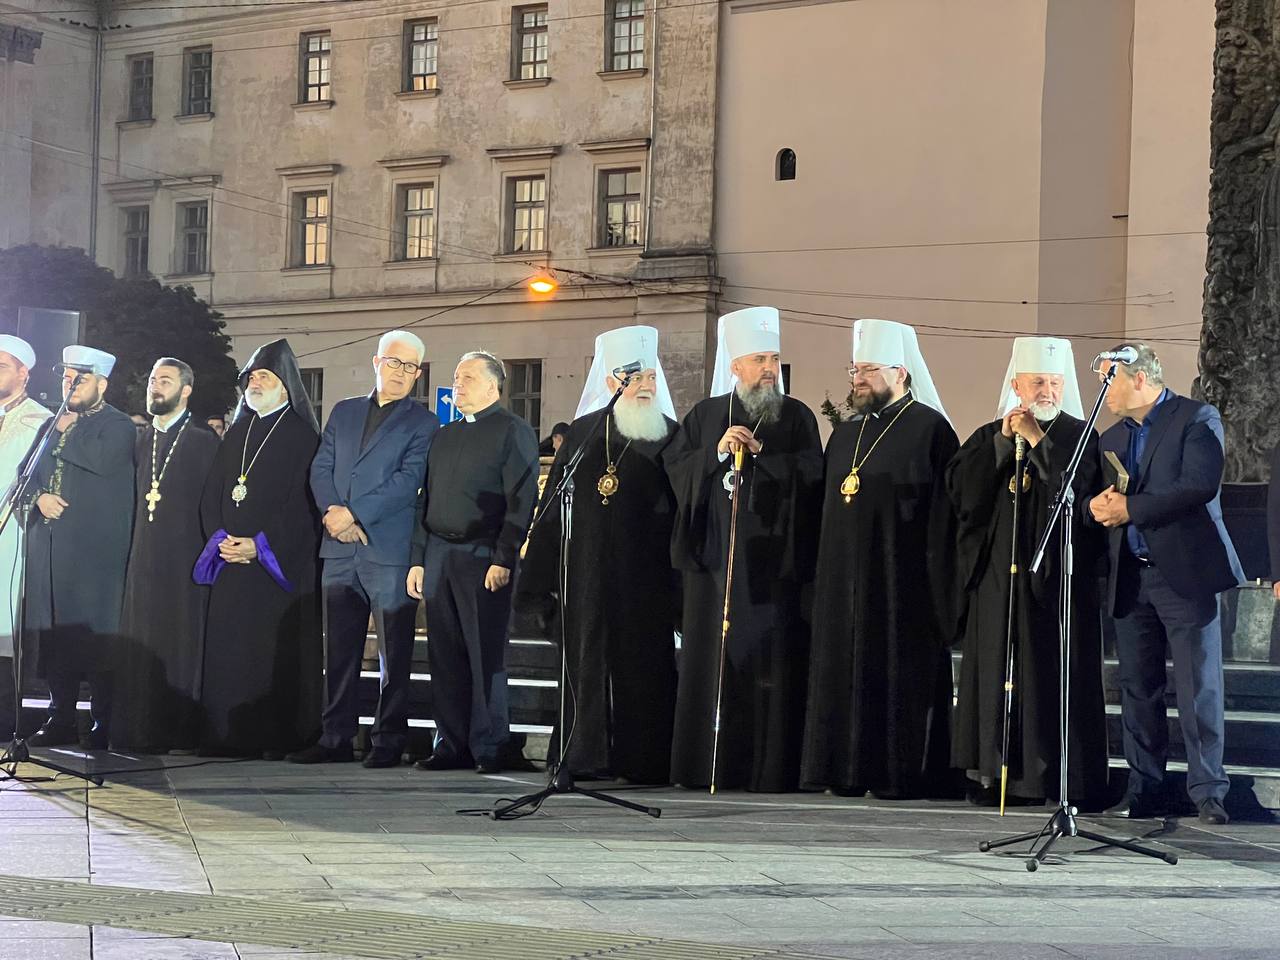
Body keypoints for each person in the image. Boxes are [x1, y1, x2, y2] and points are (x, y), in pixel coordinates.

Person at [663, 306, 823, 792]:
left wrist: (763, 456)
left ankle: (770, 771)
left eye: (773, 358)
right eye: (759, 360)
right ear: (735, 366)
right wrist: (716, 451)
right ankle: (703, 767)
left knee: (770, 667)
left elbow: (813, 474)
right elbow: (677, 470)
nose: (770, 368)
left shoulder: (796, 416)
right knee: (711, 665)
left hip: (773, 568)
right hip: (714, 567)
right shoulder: (705, 415)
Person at [947, 337, 1108, 808]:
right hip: (998, 582)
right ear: (1016, 385)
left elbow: (1080, 495)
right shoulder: (988, 436)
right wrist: (1003, 445)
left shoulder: (1081, 436)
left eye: (1055, 383)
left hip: (1053, 586)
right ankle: (992, 773)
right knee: (994, 671)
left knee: (1044, 677)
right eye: (1037, 382)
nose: (1047, 391)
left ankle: (1044, 778)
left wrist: (1039, 442)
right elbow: (960, 496)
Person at [801, 318, 958, 799]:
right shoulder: (845, 434)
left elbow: (946, 515)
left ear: (901, 372)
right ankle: (841, 771)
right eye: (855, 370)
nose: (859, 379)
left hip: (900, 581)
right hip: (841, 580)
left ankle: (895, 774)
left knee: (893, 675)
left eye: (869, 370)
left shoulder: (931, 430)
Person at [1089, 343, 1244, 825]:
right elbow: (1110, 497)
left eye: (1110, 381)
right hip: (1132, 576)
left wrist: (1130, 509)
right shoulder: (1112, 436)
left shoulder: (1196, 419)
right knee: (1138, 688)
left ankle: (1208, 792)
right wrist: (1098, 506)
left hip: (1184, 574)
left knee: (1198, 686)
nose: (1104, 393)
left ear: (1139, 378)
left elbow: (1198, 485)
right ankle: (1144, 789)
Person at [520, 325, 680, 783]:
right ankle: (582, 755)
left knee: (644, 665)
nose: (646, 385)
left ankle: (644, 761)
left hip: (645, 575)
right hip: (586, 572)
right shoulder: (583, 434)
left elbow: (684, 509)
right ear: (611, 382)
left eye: (651, 377)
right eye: (635, 377)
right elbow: (552, 508)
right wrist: (536, 582)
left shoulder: (671, 434)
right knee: (585, 664)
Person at [288, 331, 438, 769]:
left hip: (387, 550)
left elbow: (408, 481)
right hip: (338, 549)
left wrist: (353, 514)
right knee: (339, 650)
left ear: (418, 374)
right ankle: (335, 736)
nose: (401, 372)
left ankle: (388, 739)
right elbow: (321, 467)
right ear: (376, 362)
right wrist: (333, 514)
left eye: (410, 367)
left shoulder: (424, 423)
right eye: (394, 362)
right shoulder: (344, 411)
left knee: (395, 652)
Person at [407, 350, 539, 774]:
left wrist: (504, 557)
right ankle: (450, 744)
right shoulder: (444, 435)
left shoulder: (512, 431)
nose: (457, 385)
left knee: (485, 655)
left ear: (492, 386)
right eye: (456, 377)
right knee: (444, 654)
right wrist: (418, 559)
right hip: (440, 555)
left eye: (467, 378)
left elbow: (521, 500)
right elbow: (424, 499)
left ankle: (490, 744)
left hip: (484, 556)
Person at [195, 339, 322, 758]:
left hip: (274, 568)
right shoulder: (237, 433)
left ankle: (272, 737)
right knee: (230, 650)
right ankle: (224, 735)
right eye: (251, 377)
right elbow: (213, 494)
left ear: (285, 385)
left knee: (268, 653)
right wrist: (221, 540)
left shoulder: (303, 436)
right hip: (230, 559)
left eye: (264, 376)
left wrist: (259, 545)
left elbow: (303, 506)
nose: (255, 383)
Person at [25, 346, 136, 749]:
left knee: (97, 637)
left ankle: (103, 721)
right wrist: (39, 498)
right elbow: (28, 474)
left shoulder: (118, 424)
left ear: (101, 385)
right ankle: (60, 718)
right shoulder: (52, 423)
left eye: (80, 379)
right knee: (57, 637)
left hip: (96, 555)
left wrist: (65, 431)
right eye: (67, 378)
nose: (70, 386)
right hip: (53, 549)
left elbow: (102, 460)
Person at [114, 359, 221, 754]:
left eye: (165, 380)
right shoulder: (142, 439)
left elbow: (213, 506)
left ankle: (177, 731)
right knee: (139, 644)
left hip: (184, 560)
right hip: (142, 558)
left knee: (179, 642)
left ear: (186, 390)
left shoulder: (202, 441)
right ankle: (136, 729)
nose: (156, 387)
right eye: (153, 380)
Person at [0, 336, 51, 742]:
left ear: (23, 373)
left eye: (2, 366)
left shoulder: (41, 420)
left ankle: (4, 718)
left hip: (12, 536)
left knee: (4, 630)